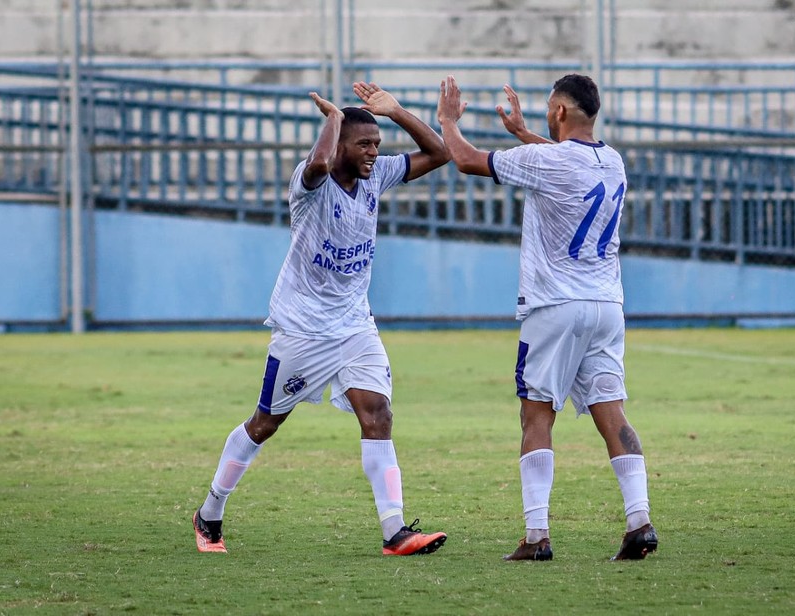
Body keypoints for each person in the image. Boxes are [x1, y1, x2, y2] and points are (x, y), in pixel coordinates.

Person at [192, 82, 449, 556]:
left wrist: (396, 112)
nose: (373, 152)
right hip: (303, 329)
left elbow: (439, 152)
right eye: (363, 144)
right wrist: (332, 121)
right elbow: (317, 164)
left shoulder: (377, 176)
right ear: (341, 145)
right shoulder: (311, 186)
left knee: (378, 415)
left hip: (354, 324)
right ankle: (210, 512)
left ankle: (395, 531)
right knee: (264, 424)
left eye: (377, 143)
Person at [437, 74, 657, 561]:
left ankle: (537, 536)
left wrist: (449, 122)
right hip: (607, 306)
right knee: (612, 412)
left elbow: (469, 160)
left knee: (536, 414)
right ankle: (639, 520)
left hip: (555, 306)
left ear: (559, 112)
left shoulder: (550, 159)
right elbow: (563, 164)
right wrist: (522, 135)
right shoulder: (612, 160)